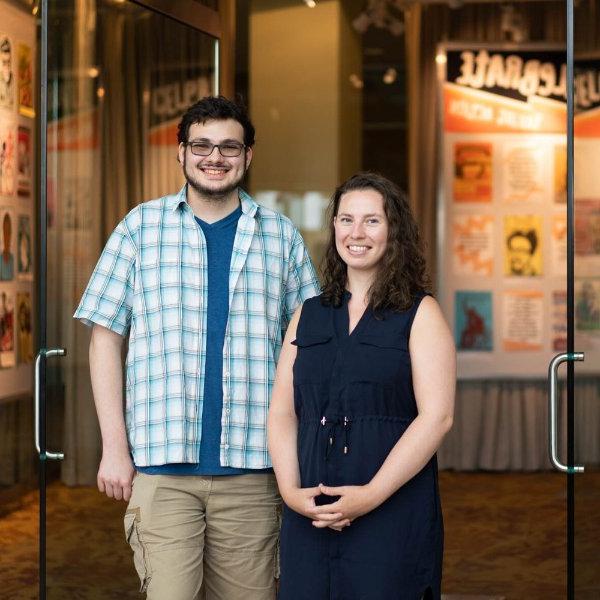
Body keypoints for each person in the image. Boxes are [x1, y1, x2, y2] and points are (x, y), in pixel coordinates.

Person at [74, 96, 320, 599]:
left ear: (248, 156)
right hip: (161, 471)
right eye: (202, 145)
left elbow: (310, 347)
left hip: (254, 469)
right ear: (180, 153)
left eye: (229, 146)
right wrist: (114, 448)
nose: (215, 157)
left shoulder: (281, 237)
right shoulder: (139, 229)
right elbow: (104, 338)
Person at [268, 172, 456, 600]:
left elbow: (437, 417)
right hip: (309, 513)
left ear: (395, 231)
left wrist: (370, 496)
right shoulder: (308, 313)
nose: (356, 233)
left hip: (391, 512)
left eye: (372, 221)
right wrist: (290, 493)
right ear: (333, 226)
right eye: (346, 219)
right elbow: (282, 411)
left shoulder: (420, 313)